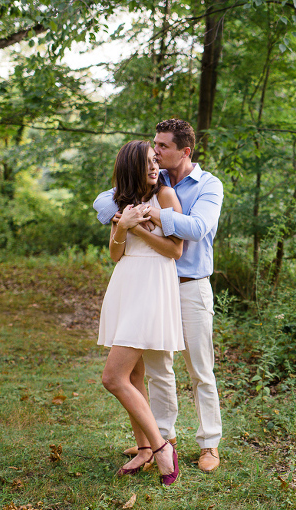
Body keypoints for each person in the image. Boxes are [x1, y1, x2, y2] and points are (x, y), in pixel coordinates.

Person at [94, 119, 223, 473]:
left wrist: (153, 214)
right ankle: (161, 438)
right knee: (157, 369)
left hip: (190, 284)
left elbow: (196, 229)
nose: (157, 153)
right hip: (152, 286)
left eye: (162, 147)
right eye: (154, 147)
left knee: (200, 368)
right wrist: (124, 217)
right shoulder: (157, 178)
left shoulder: (209, 185)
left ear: (184, 151)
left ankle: (209, 443)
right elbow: (105, 200)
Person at [97, 140, 184, 485]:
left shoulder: (164, 197)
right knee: (133, 377)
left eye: (155, 162)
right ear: (131, 167)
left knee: (112, 378)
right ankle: (144, 448)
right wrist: (123, 226)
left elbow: (175, 251)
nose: (154, 168)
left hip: (152, 286)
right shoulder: (121, 202)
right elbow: (114, 255)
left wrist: (136, 229)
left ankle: (163, 447)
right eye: (147, 163)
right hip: (126, 283)